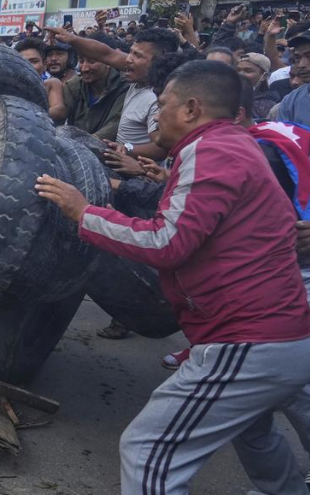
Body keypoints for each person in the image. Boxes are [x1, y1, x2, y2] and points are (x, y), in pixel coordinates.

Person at [36, 60, 310, 494]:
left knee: (148, 451)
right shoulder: (233, 147)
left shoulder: (212, 149)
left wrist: (82, 212)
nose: (155, 114)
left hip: (248, 339)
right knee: (254, 434)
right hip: (277, 336)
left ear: (191, 109)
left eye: (162, 104)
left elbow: (167, 243)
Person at [49, 26, 177, 161]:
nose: (128, 59)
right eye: (131, 52)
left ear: (159, 61)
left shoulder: (155, 98)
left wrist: (126, 149)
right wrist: (72, 39)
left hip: (136, 175)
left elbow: (161, 148)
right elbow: (106, 54)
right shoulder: (138, 77)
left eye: (137, 55)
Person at [14, 38, 67, 121]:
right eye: (23, 62)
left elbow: (59, 110)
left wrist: (27, 115)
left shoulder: (51, 83)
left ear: (45, 65)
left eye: (34, 61)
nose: (28, 66)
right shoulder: (10, 86)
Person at [274, 29, 310, 125]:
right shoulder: (290, 102)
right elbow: (284, 138)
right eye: (297, 58)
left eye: (309, 56)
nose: (302, 64)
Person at [235, 52, 279, 120]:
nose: (241, 74)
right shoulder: (227, 96)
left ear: (264, 76)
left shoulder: (268, 104)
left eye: (248, 71)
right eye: (238, 70)